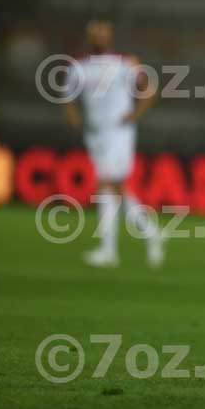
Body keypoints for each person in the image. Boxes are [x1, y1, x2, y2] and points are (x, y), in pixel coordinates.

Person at [63, 20, 164, 268]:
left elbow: (149, 90)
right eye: (95, 33)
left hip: (119, 133)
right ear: (89, 36)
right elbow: (67, 96)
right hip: (95, 134)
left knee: (106, 186)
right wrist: (74, 118)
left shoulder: (124, 63)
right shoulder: (79, 67)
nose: (99, 37)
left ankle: (108, 251)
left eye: (103, 32)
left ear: (110, 36)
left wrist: (134, 114)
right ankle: (151, 232)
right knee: (117, 189)